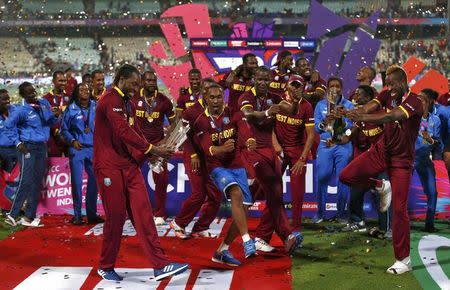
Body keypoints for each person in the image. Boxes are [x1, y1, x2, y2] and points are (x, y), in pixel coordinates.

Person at [94, 64, 188, 282]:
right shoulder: (110, 100)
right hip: (109, 167)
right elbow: (122, 131)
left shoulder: (126, 103)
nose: (136, 88)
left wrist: (150, 154)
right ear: (121, 79)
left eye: (138, 85)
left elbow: (135, 130)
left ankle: (160, 265)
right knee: (116, 217)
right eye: (134, 84)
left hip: (128, 166)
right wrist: (152, 149)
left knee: (144, 215)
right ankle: (105, 266)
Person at [340, 65, 424, 275]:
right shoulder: (387, 94)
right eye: (386, 82)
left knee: (399, 210)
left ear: (403, 82)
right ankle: (381, 185)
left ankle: (403, 260)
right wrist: (352, 112)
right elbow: (370, 107)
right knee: (346, 175)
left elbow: (390, 116)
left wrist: (363, 117)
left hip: (402, 161)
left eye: (392, 82)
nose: (388, 86)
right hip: (381, 151)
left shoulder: (415, 102)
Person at [238, 66, 302, 255]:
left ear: (271, 80)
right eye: (260, 79)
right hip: (252, 149)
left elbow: (291, 111)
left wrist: (296, 100)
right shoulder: (246, 97)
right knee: (273, 189)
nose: (263, 83)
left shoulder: (274, 97)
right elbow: (249, 115)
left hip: (269, 151)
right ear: (254, 80)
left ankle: (261, 236)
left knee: (275, 194)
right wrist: (267, 113)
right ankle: (287, 235)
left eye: (266, 80)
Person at [194, 83, 257, 266]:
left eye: (219, 97)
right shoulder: (201, 121)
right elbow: (206, 148)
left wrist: (250, 139)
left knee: (242, 211)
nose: (216, 100)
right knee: (235, 193)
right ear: (206, 98)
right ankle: (247, 241)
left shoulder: (233, 113)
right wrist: (221, 149)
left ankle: (222, 250)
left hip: (237, 166)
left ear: (224, 97)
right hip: (216, 167)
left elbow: (245, 130)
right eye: (212, 97)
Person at [170, 78, 223, 239]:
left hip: (209, 158)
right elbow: (182, 134)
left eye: (213, 92)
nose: (210, 95)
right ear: (202, 92)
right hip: (193, 157)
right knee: (199, 194)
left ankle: (201, 227)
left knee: (215, 196)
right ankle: (179, 223)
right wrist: (193, 154)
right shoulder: (191, 111)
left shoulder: (218, 110)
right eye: (206, 91)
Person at [4, 82, 61, 227]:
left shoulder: (43, 103)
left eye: (33, 91)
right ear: (23, 95)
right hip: (27, 147)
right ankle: (12, 215)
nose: (33, 94)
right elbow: (7, 126)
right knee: (26, 180)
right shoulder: (20, 110)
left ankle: (29, 217)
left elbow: (52, 121)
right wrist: (17, 142)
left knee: (36, 182)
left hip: (42, 147)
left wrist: (56, 115)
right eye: (29, 93)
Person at [338, 85, 390, 236]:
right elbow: (350, 133)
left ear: (369, 99)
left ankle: (385, 228)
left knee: (384, 194)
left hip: (384, 161)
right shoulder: (361, 118)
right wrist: (338, 136)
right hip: (371, 158)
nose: (356, 98)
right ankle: (357, 222)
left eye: (359, 95)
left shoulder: (381, 115)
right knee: (355, 187)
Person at [132, 71, 176, 225]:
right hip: (137, 144)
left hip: (157, 146)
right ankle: (129, 211)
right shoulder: (134, 97)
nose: (151, 82)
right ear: (142, 82)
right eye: (148, 80)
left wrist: (166, 141)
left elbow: (174, 124)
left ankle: (159, 214)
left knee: (161, 180)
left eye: (154, 80)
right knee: (129, 176)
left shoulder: (164, 100)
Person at [273, 75, 315, 230]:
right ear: (287, 86)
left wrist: (303, 158)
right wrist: (276, 146)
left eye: (299, 86)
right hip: (278, 149)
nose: (296, 88)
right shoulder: (277, 99)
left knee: (297, 192)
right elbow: (269, 126)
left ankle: (296, 225)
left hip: (297, 151)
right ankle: (275, 219)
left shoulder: (306, 106)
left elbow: (310, 134)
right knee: (270, 186)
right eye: (293, 85)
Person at [313, 77, 354, 223]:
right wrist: (326, 121)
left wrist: (341, 118)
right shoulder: (320, 106)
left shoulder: (348, 105)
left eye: (337, 86)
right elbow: (317, 128)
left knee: (343, 179)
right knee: (322, 177)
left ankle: (342, 214)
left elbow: (351, 128)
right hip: (325, 145)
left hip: (343, 146)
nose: (334, 88)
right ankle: (320, 213)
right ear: (327, 88)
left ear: (341, 88)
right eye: (332, 86)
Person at [61, 83, 102, 225]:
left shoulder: (97, 106)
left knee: (95, 181)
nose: (85, 91)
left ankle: (91, 215)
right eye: (81, 89)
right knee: (77, 183)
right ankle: (77, 216)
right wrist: (72, 141)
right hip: (77, 149)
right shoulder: (70, 109)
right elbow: (64, 130)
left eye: (86, 89)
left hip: (93, 148)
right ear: (77, 93)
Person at [415, 89, 441, 232]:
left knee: (432, 192)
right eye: (417, 100)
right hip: (409, 160)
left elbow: (437, 141)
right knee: (400, 191)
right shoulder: (410, 118)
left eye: (422, 100)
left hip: (425, 160)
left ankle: (429, 224)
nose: (419, 102)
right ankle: (396, 224)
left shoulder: (435, 120)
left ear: (428, 102)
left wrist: (429, 139)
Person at [43, 70, 69, 157]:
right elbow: (45, 119)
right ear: (53, 81)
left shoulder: (70, 97)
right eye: (60, 81)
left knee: (72, 165)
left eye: (64, 81)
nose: (63, 83)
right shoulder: (46, 98)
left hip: (68, 136)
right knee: (54, 165)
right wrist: (56, 132)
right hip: (53, 139)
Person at [0, 90, 18, 175]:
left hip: (17, 148)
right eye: (4, 99)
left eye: (8, 99)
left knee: (18, 178)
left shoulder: (15, 110)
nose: (7, 101)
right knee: (6, 179)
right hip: (3, 151)